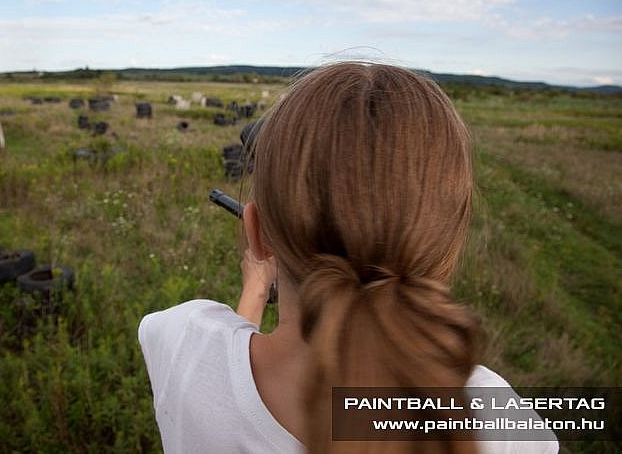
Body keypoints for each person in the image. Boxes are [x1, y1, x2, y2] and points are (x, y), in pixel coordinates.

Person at [138, 63, 559, 453]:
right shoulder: (502, 424)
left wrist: (255, 289)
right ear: (447, 242)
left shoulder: (180, 339)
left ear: (257, 233)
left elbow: (225, 367)